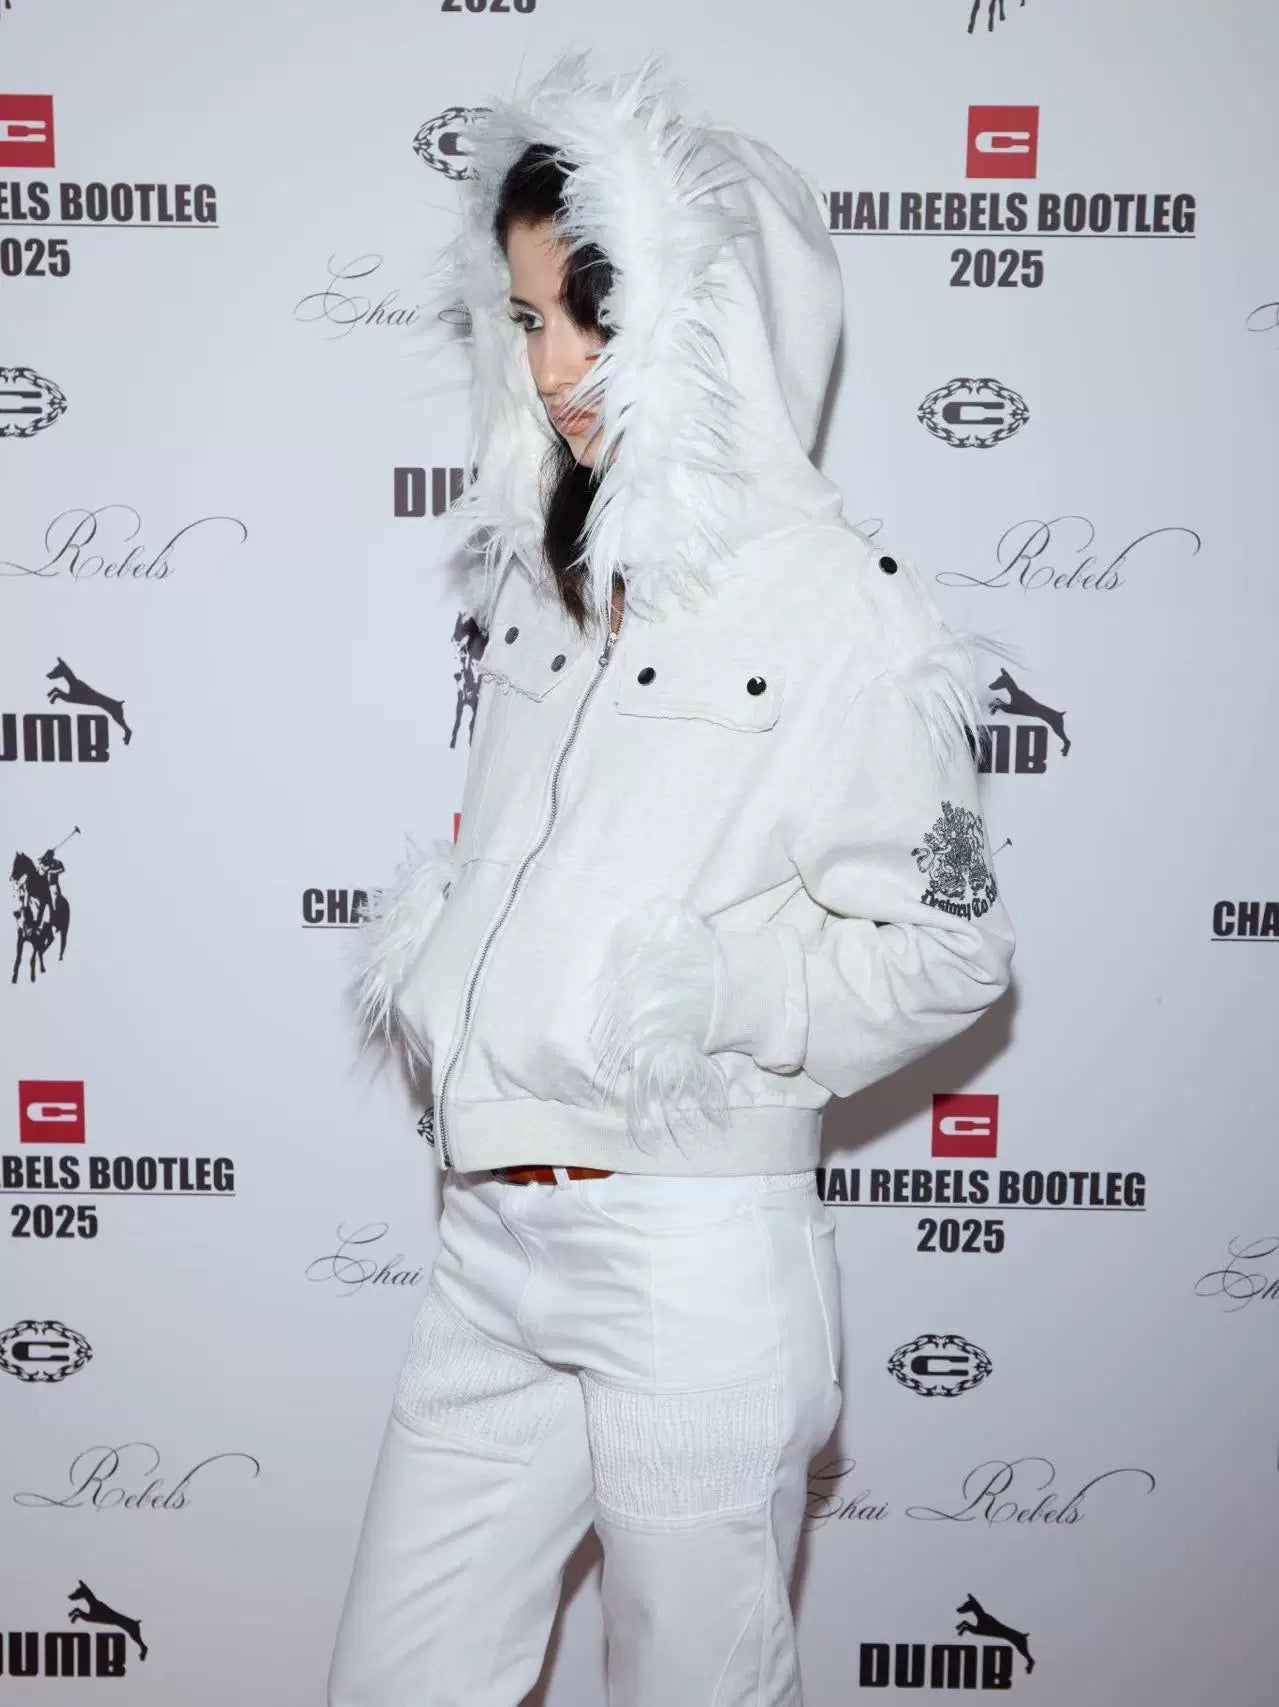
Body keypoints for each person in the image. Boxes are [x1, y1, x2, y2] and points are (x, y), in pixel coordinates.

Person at [328, 48, 1015, 1707]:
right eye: (527, 319)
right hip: (492, 1235)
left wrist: (715, 994)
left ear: (711, 309)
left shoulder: (843, 606)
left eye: (595, 311)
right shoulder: (550, 579)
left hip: (689, 1253)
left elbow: (953, 951)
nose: (555, 366)